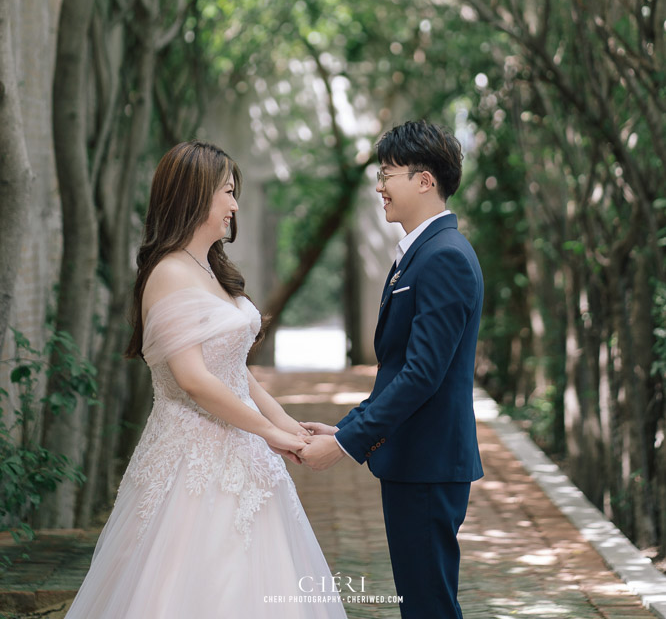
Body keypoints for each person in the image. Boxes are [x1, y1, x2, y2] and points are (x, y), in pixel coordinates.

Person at [65, 140, 347, 619]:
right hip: (191, 459)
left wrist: (287, 423)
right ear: (195, 195)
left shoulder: (211, 268)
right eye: (228, 192)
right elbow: (194, 380)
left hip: (242, 450)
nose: (235, 205)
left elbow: (236, 372)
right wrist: (270, 432)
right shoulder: (168, 273)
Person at [300, 119, 484, 619]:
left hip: (428, 462)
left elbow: (423, 375)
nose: (379, 187)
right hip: (415, 461)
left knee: (428, 606)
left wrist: (343, 444)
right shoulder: (421, 254)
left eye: (388, 174)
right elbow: (404, 366)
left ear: (425, 180)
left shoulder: (443, 257)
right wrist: (347, 426)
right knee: (423, 602)